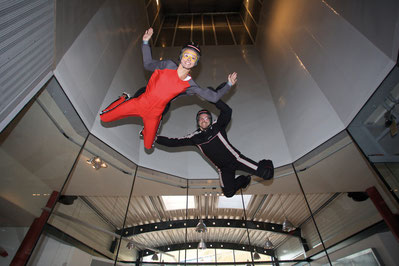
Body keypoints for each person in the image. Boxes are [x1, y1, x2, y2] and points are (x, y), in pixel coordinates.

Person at [100, 28, 237, 149]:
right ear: (181, 57)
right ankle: (124, 99)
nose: (189, 59)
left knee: (148, 146)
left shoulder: (190, 84)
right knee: (104, 118)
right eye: (186, 55)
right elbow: (148, 64)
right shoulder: (168, 65)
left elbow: (213, 97)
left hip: (154, 115)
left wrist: (228, 85)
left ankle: (152, 126)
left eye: (193, 58)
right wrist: (146, 43)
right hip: (138, 103)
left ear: (195, 63)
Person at [155, 93, 274, 198]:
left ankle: (262, 163)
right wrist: (155, 138)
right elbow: (174, 142)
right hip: (223, 169)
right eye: (201, 118)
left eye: (207, 118)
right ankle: (245, 179)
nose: (204, 120)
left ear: (211, 120)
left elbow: (227, 111)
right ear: (198, 122)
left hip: (237, 159)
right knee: (228, 193)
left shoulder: (218, 126)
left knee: (267, 174)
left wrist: (212, 98)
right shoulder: (194, 138)